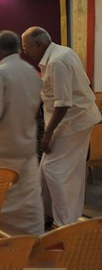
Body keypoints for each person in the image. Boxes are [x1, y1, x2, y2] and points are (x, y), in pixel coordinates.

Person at [22, 26, 101, 227]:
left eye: (26, 47)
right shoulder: (64, 52)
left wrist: (47, 134)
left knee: (55, 171)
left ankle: (64, 223)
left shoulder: (56, 61)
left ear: (38, 44)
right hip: (74, 120)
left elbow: (63, 103)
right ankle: (46, 214)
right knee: (47, 170)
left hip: (72, 123)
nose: (25, 51)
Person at [0, 31, 44, 235]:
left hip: (2, 148)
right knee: (28, 199)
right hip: (26, 146)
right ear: (18, 49)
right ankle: (31, 240)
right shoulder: (32, 72)